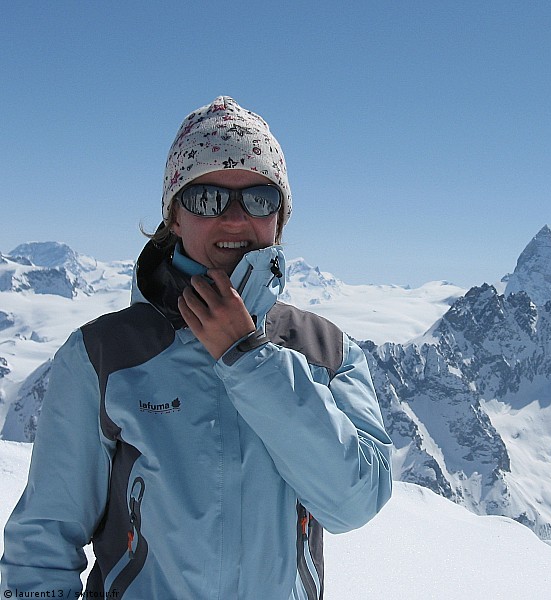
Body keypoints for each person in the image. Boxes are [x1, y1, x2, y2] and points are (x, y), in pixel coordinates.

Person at [1, 96, 393, 599]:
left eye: (258, 198)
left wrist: (248, 359)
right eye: (207, 197)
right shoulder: (101, 356)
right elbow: (43, 547)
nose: (234, 218)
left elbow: (354, 502)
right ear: (174, 218)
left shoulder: (329, 353)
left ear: (279, 218)